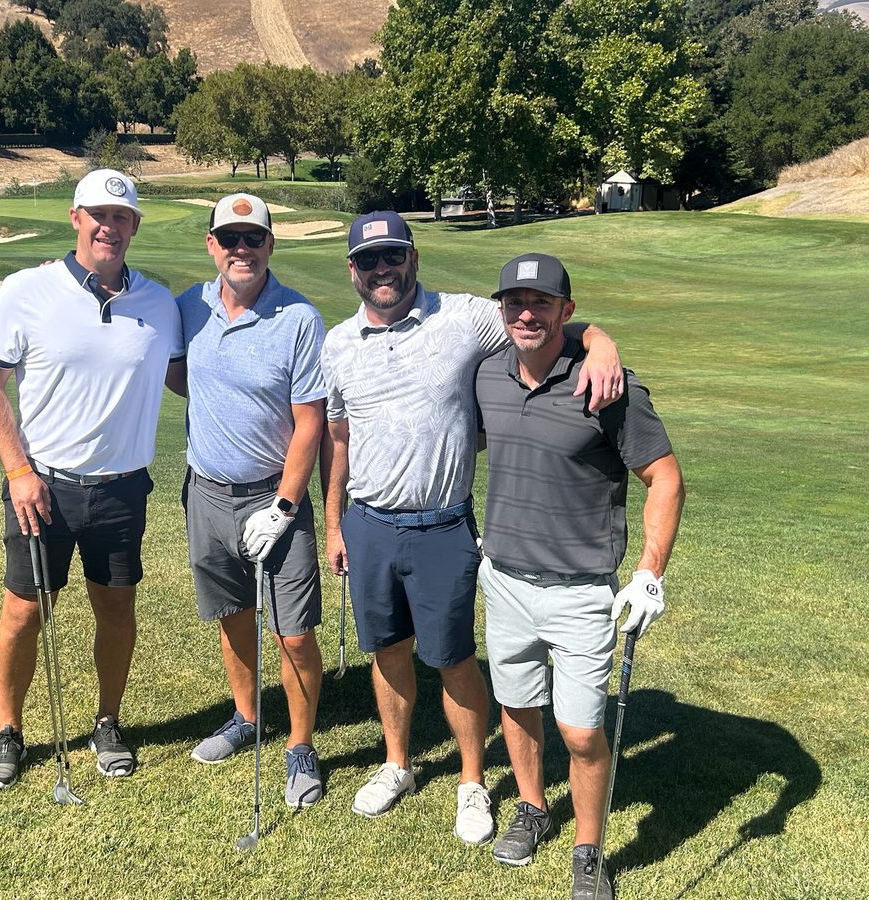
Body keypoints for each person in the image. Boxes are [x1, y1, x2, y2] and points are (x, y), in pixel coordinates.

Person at [320, 212, 625, 845]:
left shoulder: (462, 316)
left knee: (454, 658)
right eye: (369, 260)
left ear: (413, 258)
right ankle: (397, 763)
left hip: (442, 525)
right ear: (353, 269)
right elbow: (339, 436)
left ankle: (470, 780)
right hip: (369, 521)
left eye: (393, 256)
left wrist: (602, 343)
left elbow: (542, 318)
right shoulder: (338, 342)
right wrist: (334, 521)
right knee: (387, 651)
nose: (383, 270)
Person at [474, 253, 684, 899]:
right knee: (515, 704)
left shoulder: (608, 385)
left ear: (567, 310)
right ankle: (534, 807)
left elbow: (666, 478)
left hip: (581, 587)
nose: (527, 313)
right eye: (515, 302)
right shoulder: (487, 375)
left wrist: (649, 573)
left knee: (582, 730)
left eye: (542, 302)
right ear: (501, 310)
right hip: (503, 577)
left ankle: (588, 848)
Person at [0, 168, 184, 790]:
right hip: (42, 488)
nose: (107, 226)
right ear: (75, 218)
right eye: (96, 214)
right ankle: (10, 730)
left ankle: (108, 721)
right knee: (23, 613)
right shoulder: (26, 290)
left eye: (120, 217)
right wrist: (17, 469)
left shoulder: (158, 303)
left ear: (134, 226)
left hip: (122, 488)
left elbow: (184, 378)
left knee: (116, 610)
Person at [167, 193, 327, 809]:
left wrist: (285, 505)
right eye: (228, 239)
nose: (241, 249)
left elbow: (309, 422)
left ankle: (300, 745)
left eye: (252, 239)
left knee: (294, 632)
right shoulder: (189, 307)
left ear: (269, 245)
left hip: (275, 498)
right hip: (206, 493)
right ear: (211, 245)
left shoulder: (298, 318)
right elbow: (177, 370)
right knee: (233, 616)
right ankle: (245, 714)